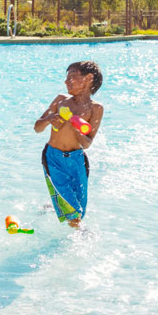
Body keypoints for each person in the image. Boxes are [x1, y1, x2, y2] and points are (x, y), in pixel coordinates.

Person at [33, 61, 105, 229]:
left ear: (88, 79)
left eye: (72, 77)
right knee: (73, 213)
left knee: (80, 208)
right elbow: (37, 128)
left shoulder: (96, 108)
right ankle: (80, 238)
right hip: (54, 158)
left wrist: (77, 128)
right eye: (66, 79)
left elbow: (87, 143)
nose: (66, 82)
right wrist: (49, 119)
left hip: (77, 160)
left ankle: (52, 207)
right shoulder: (60, 101)